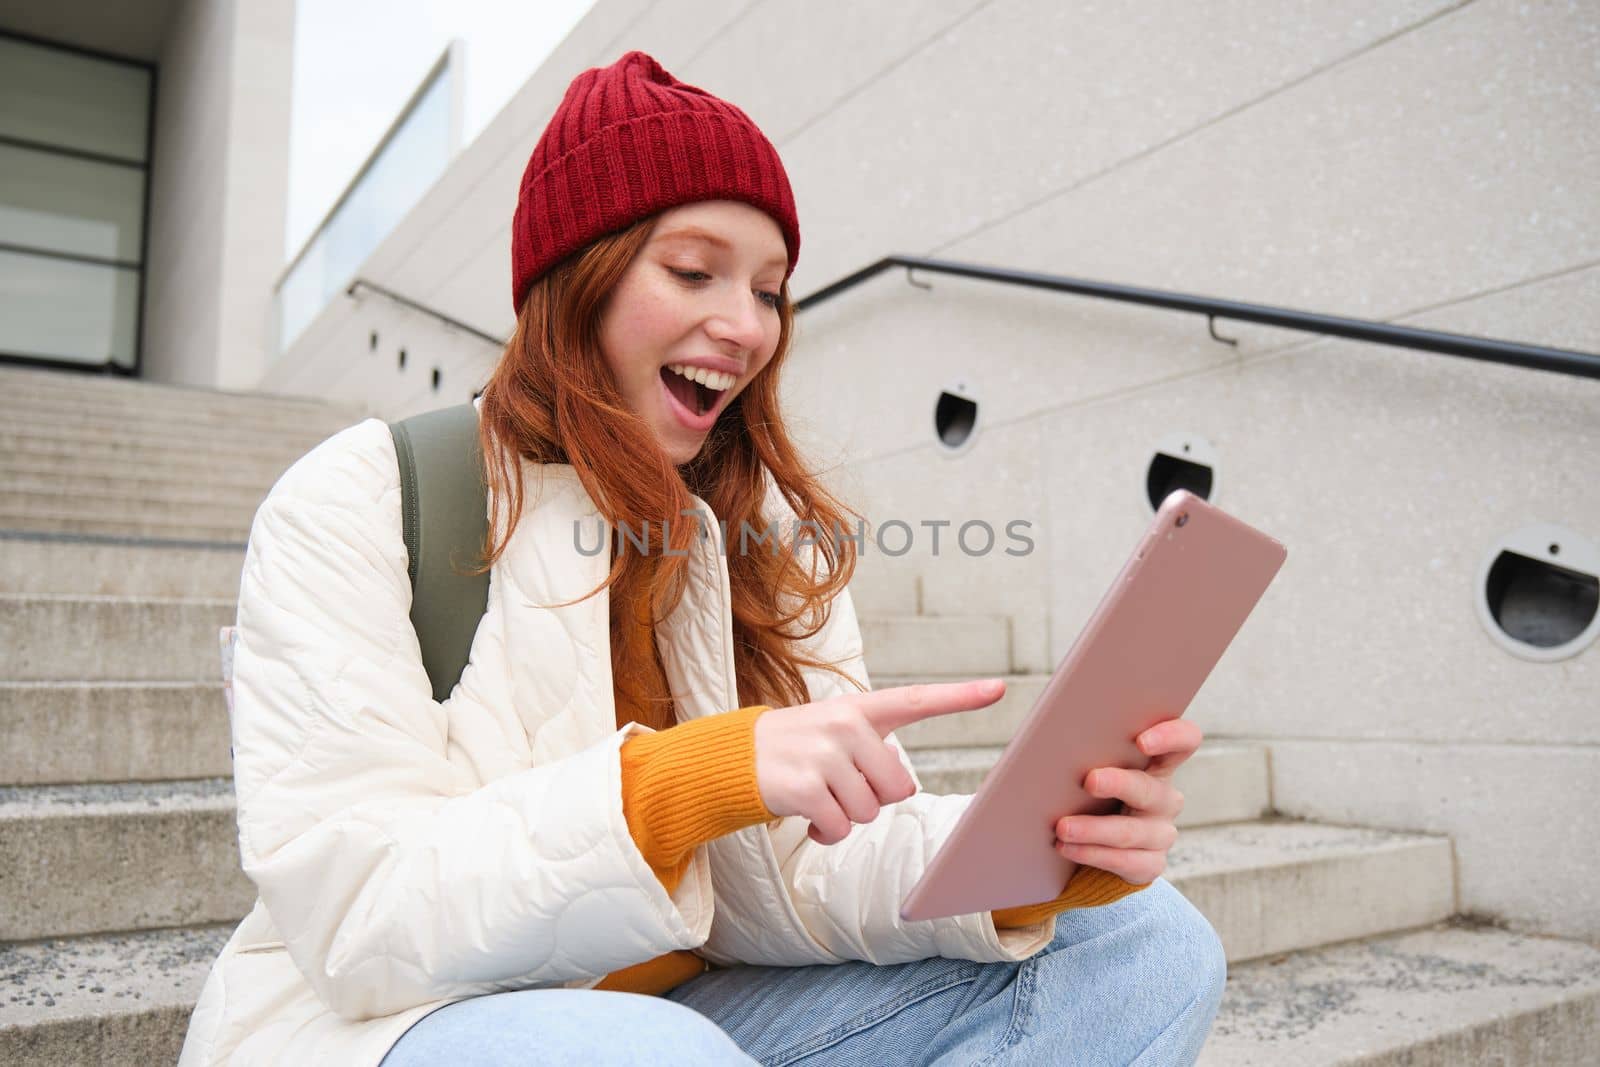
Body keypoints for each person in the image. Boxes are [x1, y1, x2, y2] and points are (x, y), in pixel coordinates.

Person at [177, 51, 1226, 1067]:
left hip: (694, 1008)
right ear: (572, 278)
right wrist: (685, 780)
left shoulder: (756, 534)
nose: (746, 325)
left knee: (1145, 946)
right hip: (399, 1025)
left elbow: (801, 876)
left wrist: (1027, 859)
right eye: (692, 271)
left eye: (769, 289)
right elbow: (357, 912)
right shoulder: (359, 496)